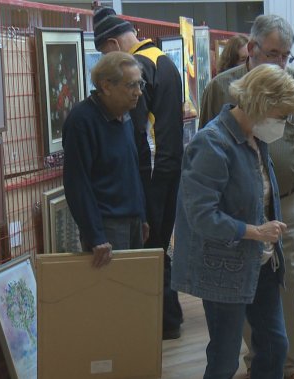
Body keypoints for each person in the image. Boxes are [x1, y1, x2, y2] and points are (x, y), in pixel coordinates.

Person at [198, 14, 294, 379]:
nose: (281, 63)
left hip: (287, 200)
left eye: (286, 56)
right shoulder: (222, 88)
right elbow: (205, 154)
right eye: (273, 54)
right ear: (252, 49)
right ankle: (260, 359)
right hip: (239, 209)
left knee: (291, 282)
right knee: (248, 284)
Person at [171, 63, 294, 379]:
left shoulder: (256, 139)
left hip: (261, 264)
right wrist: (255, 232)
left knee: (275, 346)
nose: (284, 124)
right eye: (282, 115)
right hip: (223, 268)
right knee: (224, 359)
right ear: (262, 104)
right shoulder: (212, 143)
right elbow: (201, 215)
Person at [93, 7, 184, 340]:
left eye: (104, 53)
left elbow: (136, 132)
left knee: (150, 247)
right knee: (161, 246)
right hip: (172, 167)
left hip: (152, 172)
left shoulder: (138, 68)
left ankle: (164, 320)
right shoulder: (163, 59)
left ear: (115, 43)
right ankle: (169, 317)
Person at [62, 51, 149, 268]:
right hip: (107, 227)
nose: (138, 92)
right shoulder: (81, 121)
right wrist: (95, 235)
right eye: (131, 85)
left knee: (133, 293)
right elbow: (77, 184)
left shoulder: (126, 115)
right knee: (112, 297)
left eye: (140, 84)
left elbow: (132, 171)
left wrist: (142, 214)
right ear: (106, 86)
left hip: (133, 221)